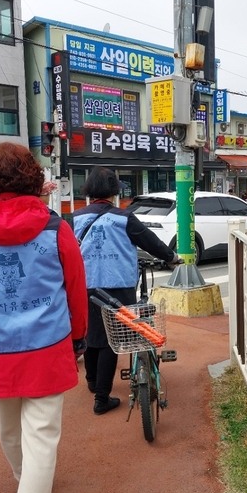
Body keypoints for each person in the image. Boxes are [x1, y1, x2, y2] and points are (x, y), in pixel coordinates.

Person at [0, 143, 88, 493]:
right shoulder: (55, 228)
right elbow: (76, 290)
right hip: (48, 344)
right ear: (33, 178)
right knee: (42, 436)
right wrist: (78, 336)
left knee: (9, 430)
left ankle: (26, 481)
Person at [73, 167, 181, 415]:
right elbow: (150, 242)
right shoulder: (124, 218)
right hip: (118, 285)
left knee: (91, 333)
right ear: (113, 192)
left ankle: (92, 381)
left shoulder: (75, 218)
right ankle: (102, 398)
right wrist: (171, 257)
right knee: (113, 339)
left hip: (85, 285)